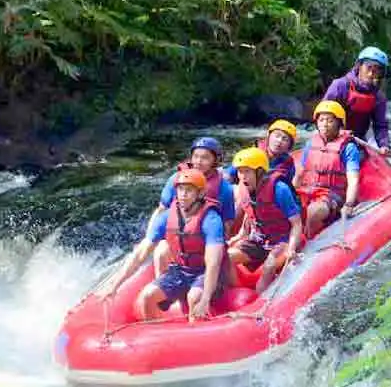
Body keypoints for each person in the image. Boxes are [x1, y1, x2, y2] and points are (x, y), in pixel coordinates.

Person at [101, 168, 226, 322]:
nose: (183, 194)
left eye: (189, 190)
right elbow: (140, 254)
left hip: (204, 271)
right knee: (147, 297)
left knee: (194, 297)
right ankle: (157, 332)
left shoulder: (211, 219)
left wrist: (205, 299)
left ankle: (197, 328)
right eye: (180, 189)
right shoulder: (166, 217)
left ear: (200, 194)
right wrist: (115, 285)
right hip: (180, 270)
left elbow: (213, 263)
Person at [147, 136, 235, 278]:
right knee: (161, 251)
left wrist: (218, 244)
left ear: (215, 160)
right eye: (196, 156)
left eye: (205, 158)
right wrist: (150, 236)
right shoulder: (177, 179)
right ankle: (163, 283)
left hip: (206, 238)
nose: (198, 162)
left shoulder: (224, 188)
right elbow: (161, 210)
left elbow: (228, 223)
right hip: (176, 236)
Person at [226, 147, 303, 294]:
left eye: (247, 171)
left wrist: (291, 248)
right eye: (240, 171)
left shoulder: (279, 189)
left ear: (260, 171)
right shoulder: (244, 189)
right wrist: (240, 235)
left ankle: (260, 298)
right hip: (260, 240)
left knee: (268, 267)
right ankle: (239, 292)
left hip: (283, 240)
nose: (243, 176)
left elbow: (296, 223)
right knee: (226, 257)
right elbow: (251, 214)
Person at [292, 100, 361, 238]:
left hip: (332, 194)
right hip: (308, 190)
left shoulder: (348, 147)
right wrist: (291, 193)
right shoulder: (311, 144)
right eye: (321, 120)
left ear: (339, 123)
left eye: (330, 120)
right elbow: (300, 174)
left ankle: (309, 241)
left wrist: (349, 203)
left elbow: (353, 180)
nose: (325, 124)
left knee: (313, 212)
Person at [321, 46, 391, 156]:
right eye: (368, 68)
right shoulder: (340, 85)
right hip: (331, 136)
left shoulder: (378, 97)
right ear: (359, 66)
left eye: (376, 71)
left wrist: (384, 145)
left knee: (356, 154)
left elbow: (380, 125)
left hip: (357, 140)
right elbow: (322, 114)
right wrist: (337, 131)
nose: (371, 74)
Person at [223, 119, 298, 186]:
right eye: (277, 136)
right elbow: (228, 175)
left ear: (289, 146)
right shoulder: (251, 154)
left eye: (285, 139)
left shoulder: (289, 164)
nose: (279, 141)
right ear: (268, 136)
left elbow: (288, 186)